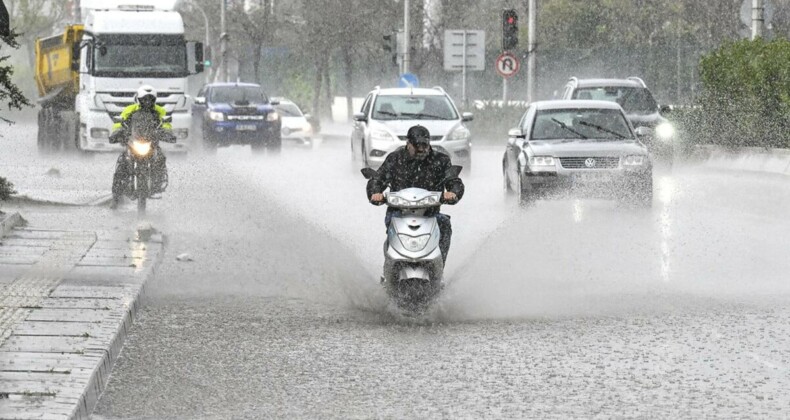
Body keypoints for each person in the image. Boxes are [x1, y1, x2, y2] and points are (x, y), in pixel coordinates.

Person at [366, 125, 464, 264]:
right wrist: (375, 192)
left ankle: (439, 265)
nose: (421, 149)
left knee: (445, 225)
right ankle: (390, 264)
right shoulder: (394, 159)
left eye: (425, 145)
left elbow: (453, 180)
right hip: (398, 212)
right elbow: (378, 179)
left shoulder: (440, 160)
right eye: (417, 145)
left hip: (430, 214)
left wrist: (454, 192)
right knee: (391, 224)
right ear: (408, 143)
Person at [109, 85, 172, 208]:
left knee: (160, 158)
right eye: (144, 99)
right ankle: (115, 197)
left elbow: (166, 124)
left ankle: (157, 182)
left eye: (150, 99)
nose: (147, 102)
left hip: (151, 143)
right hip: (133, 142)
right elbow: (119, 123)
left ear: (154, 100)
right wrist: (117, 133)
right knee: (122, 164)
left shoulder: (160, 111)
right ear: (138, 99)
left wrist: (167, 133)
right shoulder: (130, 109)